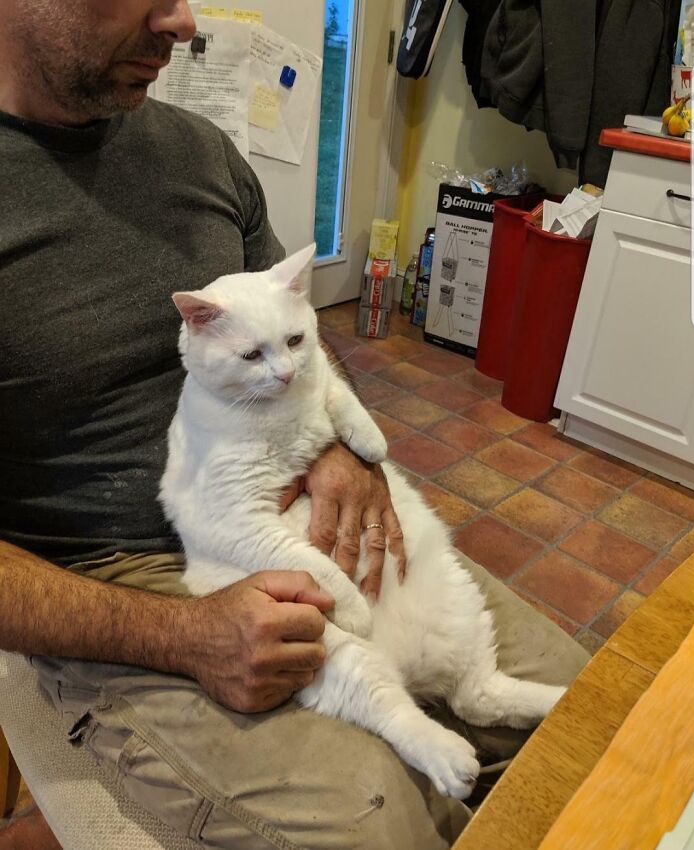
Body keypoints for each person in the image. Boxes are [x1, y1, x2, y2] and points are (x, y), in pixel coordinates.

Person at [0, 2, 589, 848]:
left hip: (298, 496)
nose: (182, 18)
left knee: (590, 710)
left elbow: (292, 337)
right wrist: (182, 634)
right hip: (119, 579)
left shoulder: (195, 150)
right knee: (377, 822)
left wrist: (342, 450)